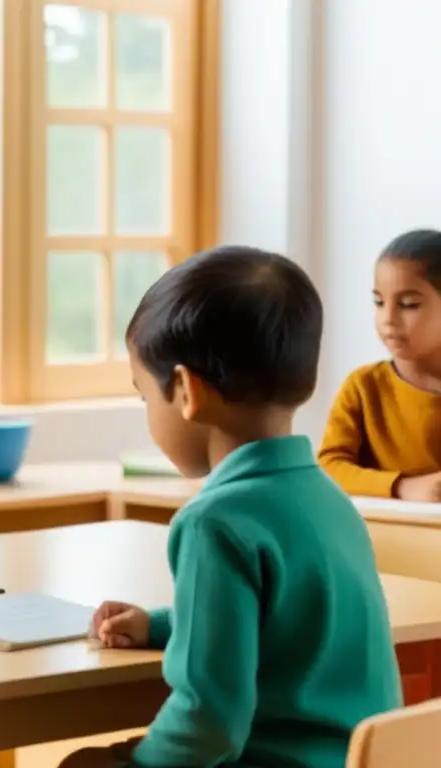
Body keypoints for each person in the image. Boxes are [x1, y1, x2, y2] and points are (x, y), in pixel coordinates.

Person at [63, 247, 401, 767]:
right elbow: (287, 621)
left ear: (185, 390)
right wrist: (160, 625)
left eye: (144, 396)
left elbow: (209, 723)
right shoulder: (328, 499)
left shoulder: (212, 523)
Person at [318, 229, 441, 500]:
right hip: (384, 537)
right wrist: (403, 486)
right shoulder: (363, 387)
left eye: (408, 304)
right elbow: (328, 469)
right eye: (379, 302)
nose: (388, 318)